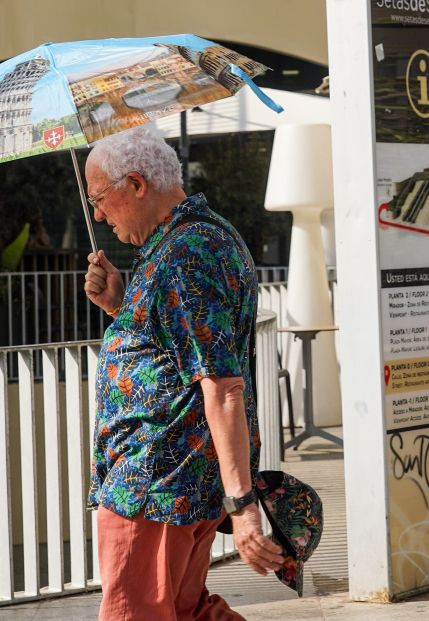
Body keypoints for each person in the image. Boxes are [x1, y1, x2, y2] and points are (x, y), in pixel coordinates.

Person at [83, 126, 284, 621]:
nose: (98, 214)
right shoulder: (203, 236)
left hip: (155, 483)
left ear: (136, 184)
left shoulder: (183, 256)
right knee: (185, 610)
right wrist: (120, 305)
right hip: (177, 480)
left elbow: (222, 385)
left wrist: (243, 506)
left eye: (101, 198)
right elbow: (182, 352)